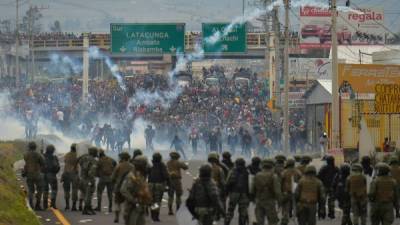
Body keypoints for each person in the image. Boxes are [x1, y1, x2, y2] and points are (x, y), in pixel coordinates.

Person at [120, 155, 152, 225]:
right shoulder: (131, 177)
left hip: (140, 206)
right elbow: (124, 190)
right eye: (145, 165)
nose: (146, 167)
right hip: (132, 207)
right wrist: (134, 200)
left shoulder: (141, 176)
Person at [251, 158, 281, 225]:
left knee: (259, 221)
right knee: (273, 222)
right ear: (272, 166)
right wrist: (279, 202)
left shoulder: (257, 175)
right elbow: (277, 192)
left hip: (259, 201)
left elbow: (252, 190)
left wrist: (253, 199)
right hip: (270, 202)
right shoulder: (274, 176)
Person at [111, 152, 135, 223]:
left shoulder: (118, 166)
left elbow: (112, 177)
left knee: (117, 202)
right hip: (129, 188)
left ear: (122, 158)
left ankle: (116, 217)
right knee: (127, 203)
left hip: (118, 187)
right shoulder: (132, 166)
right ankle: (126, 217)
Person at [225, 158, 250, 225]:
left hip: (234, 193)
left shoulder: (232, 171)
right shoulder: (247, 172)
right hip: (244, 193)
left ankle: (227, 222)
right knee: (243, 212)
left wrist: (226, 192)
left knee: (230, 210)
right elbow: (250, 184)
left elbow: (227, 183)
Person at [148, 152, 170, 222]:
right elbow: (166, 175)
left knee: (152, 200)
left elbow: (147, 172)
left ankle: (152, 214)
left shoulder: (151, 164)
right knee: (157, 201)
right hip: (159, 185)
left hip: (150, 184)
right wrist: (169, 184)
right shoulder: (162, 165)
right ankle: (156, 216)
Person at [23, 141, 45, 210]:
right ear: (35, 147)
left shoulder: (26, 155)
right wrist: (42, 154)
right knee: (40, 190)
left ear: (29, 147)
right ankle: (37, 205)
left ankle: (30, 204)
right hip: (38, 174)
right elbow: (43, 162)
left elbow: (27, 163)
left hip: (29, 174)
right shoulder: (38, 154)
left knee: (30, 190)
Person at [281, 158, 301, 225]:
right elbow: (301, 181)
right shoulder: (297, 171)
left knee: (285, 208)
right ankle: (296, 219)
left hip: (286, 192)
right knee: (296, 206)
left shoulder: (284, 172)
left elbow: (280, 181)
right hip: (295, 192)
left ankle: (285, 220)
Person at [78, 147, 98, 215]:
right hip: (88, 179)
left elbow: (79, 162)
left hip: (82, 178)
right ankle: (86, 209)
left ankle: (88, 208)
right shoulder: (93, 161)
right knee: (89, 195)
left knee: (84, 194)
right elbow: (91, 172)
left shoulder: (83, 158)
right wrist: (92, 180)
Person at [62, 143, 80, 211]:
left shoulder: (67, 155)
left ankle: (67, 205)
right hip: (74, 174)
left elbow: (65, 161)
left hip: (66, 173)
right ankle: (74, 206)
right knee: (74, 190)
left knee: (66, 190)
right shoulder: (77, 155)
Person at [42, 144, 60, 209]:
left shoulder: (42, 156)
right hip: (51, 174)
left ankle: (45, 205)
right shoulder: (54, 157)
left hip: (43, 174)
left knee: (45, 190)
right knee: (54, 189)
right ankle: (52, 204)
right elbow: (57, 167)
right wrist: (55, 172)